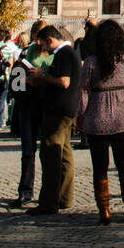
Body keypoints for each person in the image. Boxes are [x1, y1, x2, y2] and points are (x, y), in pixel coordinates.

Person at [77, 19, 124, 224]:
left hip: (97, 117)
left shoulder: (90, 62)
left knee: (100, 167)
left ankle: (104, 211)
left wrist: (81, 114)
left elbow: (83, 91)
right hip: (122, 117)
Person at [24, 24, 83, 216]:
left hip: (57, 111)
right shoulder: (69, 53)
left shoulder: (64, 53)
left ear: (50, 40)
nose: (44, 50)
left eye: (43, 45)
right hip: (66, 110)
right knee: (64, 155)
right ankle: (65, 198)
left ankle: (49, 203)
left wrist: (42, 74)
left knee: (50, 155)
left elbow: (64, 81)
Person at [8, 22, 52, 208]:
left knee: (50, 152)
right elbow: (15, 84)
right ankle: (25, 191)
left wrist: (42, 80)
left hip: (48, 107)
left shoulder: (55, 55)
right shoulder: (25, 54)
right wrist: (25, 83)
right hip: (28, 107)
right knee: (28, 152)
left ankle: (49, 192)